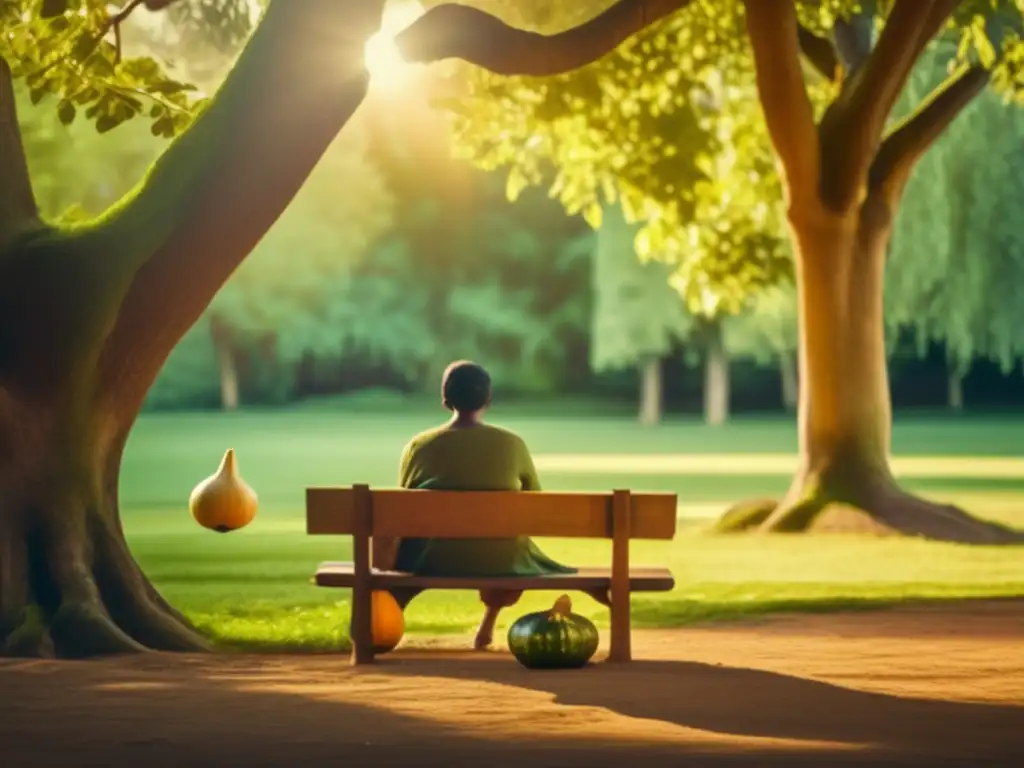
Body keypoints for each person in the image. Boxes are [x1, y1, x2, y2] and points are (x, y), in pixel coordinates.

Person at [381, 360, 576, 650]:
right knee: (508, 545)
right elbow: (536, 504)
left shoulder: (418, 446)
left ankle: (381, 624)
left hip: (430, 557)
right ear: (487, 398)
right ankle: (487, 626)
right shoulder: (512, 444)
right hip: (499, 558)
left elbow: (403, 509)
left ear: (445, 399)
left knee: (402, 550)